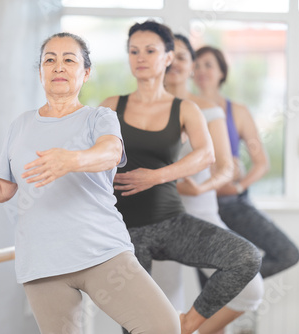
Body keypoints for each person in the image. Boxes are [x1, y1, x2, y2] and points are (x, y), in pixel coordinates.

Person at [0, 32, 180, 334]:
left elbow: (110, 153)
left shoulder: (99, 117)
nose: (59, 67)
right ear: (40, 72)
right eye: (49, 60)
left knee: (163, 326)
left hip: (102, 251)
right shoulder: (21, 125)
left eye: (69, 60)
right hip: (43, 262)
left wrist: (70, 160)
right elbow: (2, 187)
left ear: (85, 72)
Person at [99, 20, 262, 334]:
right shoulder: (110, 107)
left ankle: (187, 323)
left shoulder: (185, 108)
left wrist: (157, 176)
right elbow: (91, 159)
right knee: (137, 326)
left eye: (150, 50)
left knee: (245, 257)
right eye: (133, 51)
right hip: (123, 232)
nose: (140, 57)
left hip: (171, 222)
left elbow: (206, 154)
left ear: (168, 57)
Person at [162, 34, 264, 334]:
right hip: (159, 218)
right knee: (166, 303)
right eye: (169, 55)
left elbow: (224, 168)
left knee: (250, 288)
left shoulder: (208, 109)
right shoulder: (143, 110)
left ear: (191, 65)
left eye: (183, 56)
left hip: (202, 213)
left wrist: (200, 188)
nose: (174, 62)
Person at [193, 46, 299, 279]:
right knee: (209, 294)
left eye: (208, 64)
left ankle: (232, 279)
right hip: (200, 208)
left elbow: (261, 162)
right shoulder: (185, 109)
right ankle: (222, 287)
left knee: (287, 253)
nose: (201, 70)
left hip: (234, 205)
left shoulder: (238, 112)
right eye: (196, 65)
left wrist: (239, 186)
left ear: (222, 72)